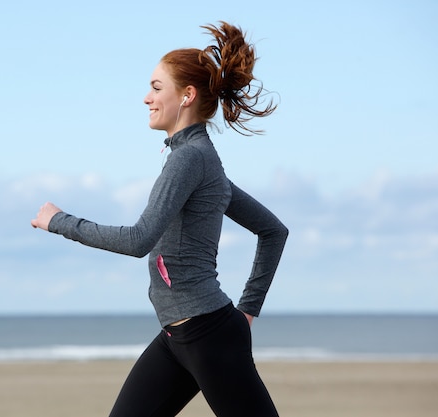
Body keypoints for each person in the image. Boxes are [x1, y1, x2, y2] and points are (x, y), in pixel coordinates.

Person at [31, 21, 288, 417]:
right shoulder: (201, 161)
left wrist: (60, 221)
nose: (146, 98)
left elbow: (139, 240)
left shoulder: (190, 158)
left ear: (186, 96)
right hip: (178, 337)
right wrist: (246, 313)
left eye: (155, 87)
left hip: (208, 335)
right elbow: (273, 230)